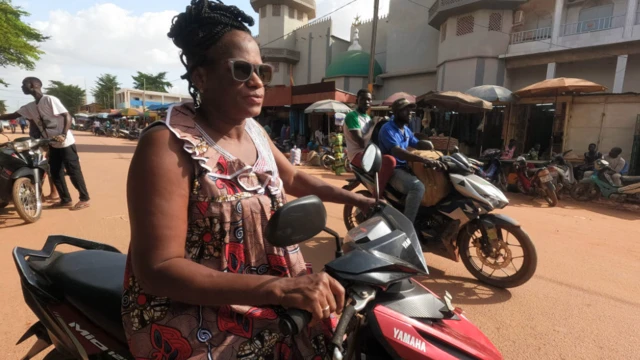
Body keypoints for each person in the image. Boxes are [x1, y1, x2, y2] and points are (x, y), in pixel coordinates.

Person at [122, 2, 376, 358]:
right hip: (198, 314)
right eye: (242, 70)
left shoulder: (255, 132)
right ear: (201, 77)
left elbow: (295, 179)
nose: (257, 81)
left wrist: (356, 199)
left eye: (263, 71)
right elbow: (158, 270)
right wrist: (279, 290)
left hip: (277, 297)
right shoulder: (166, 146)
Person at [0, 77, 91, 210]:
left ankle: (84, 198)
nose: (22, 87)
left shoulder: (49, 99)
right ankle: (65, 199)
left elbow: (67, 116)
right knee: (55, 172)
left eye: (23, 84)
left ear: (33, 85)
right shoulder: (30, 107)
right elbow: (13, 115)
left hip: (65, 142)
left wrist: (63, 134)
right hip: (51, 143)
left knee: (73, 170)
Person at [378, 98, 444, 223]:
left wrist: (427, 144)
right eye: (406, 110)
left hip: (406, 167)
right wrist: (424, 159)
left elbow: (416, 143)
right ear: (397, 112)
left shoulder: (406, 129)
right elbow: (397, 152)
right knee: (417, 187)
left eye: (410, 110)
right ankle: (407, 226)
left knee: (433, 180)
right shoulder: (388, 129)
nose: (410, 113)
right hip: (393, 169)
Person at [344, 89, 373, 167]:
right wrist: (373, 126)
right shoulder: (352, 116)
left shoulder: (368, 118)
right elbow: (362, 143)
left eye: (369, 100)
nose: (366, 102)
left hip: (367, 152)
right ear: (357, 101)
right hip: (357, 154)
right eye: (363, 99)